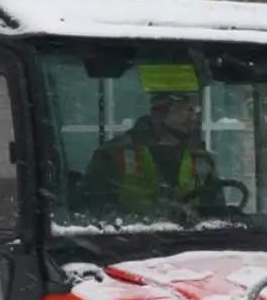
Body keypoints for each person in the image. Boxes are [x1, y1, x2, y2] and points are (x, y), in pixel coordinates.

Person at [81, 90, 224, 218]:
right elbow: (89, 209)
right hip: (126, 238)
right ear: (159, 113)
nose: (194, 117)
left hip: (195, 239)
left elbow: (217, 215)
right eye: (188, 110)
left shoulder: (201, 158)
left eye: (196, 111)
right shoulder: (113, 153)